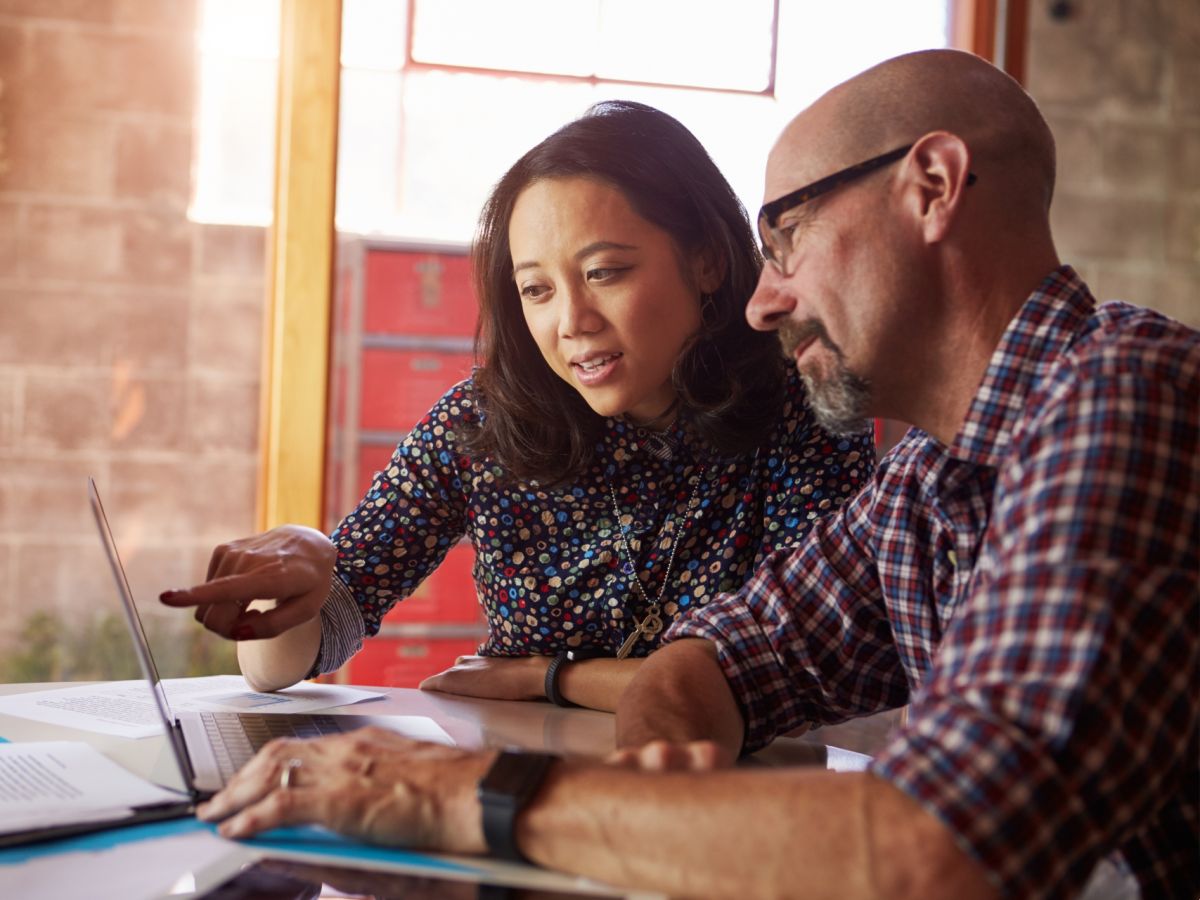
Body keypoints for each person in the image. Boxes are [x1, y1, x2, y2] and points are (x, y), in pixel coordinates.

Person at [188, 50, 1199, 900]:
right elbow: (723, 656)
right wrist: (653, 802)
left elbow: (942, 847)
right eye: (537, 288)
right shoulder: (931, 473)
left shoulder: (1125, 395)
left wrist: (466, 792)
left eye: (787, 236)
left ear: (931, 186)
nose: (767, 301)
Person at [161, 100, 873, 711]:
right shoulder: (483, 421)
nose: (572, 321)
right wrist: (308, 571)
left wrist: (552, 679)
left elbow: (798, 670)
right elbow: (284, 665)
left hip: (729, 812)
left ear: (707, 260)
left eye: (604, 272)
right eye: (538, 289)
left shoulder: (803, 410)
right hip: (521, 805)